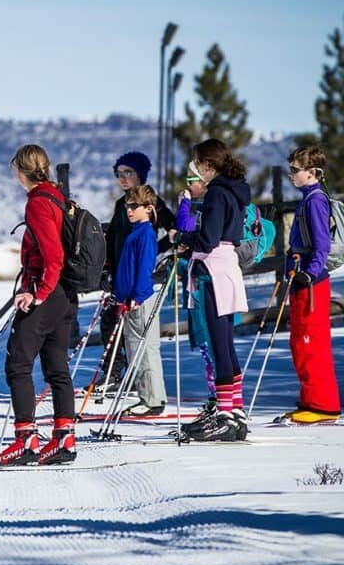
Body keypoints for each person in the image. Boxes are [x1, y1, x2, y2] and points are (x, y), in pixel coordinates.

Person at [0, 145, 76, 466]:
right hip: (65, 293)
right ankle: (64, 437)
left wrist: (37, 293)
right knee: (56, 367)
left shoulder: (39, 203)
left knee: (18, 363)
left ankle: (26, 440)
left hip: (49, 293)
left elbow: (53, 256)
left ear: (21, 170)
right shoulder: (56, 196)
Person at [173, 139, 249, 441]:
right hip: (227, 267)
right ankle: (235, 410)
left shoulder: (217, 192)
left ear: (208, 164)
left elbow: (208, 238)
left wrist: (182, 237)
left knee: (220, 344)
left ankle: (225, 413)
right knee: (226, 343)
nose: (197, 170)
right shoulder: (234, 189)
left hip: (213, 270)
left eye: (198, 164)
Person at [98, 151, 174, 395]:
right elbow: (112, 238)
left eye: (128, 172)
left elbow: (170, 230)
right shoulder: (123, 204)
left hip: (136, 278)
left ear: (140, 173)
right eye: (118, 174)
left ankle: (138, 383)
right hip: (120, 272)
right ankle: (116, 372)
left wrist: (160, 251)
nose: (122, 178)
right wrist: (108, 267)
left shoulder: (149, 203)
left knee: (136, 334)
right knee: (110, 322)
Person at [280, 146, 340, 423]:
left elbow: (322, 244)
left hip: (312, 282)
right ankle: (310, 399)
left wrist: (311, 272)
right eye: (290, 169)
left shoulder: (315, 200)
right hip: (301, 277)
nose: (291, 175)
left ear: (312, 172)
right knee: (300, 342)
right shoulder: (308, 198)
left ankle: (322, 404)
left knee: (310, 342)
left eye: (295, 170)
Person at [112, 185, 167, 416]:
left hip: (140, 299)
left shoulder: (145, 233)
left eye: (135, 206)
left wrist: (136, 295)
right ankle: (149, 396)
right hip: (129, 299)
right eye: (127, 206)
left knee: (145, 349)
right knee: (136, 349)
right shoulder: (135, 231)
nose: (129, 210)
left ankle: (153, 400)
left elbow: (144, 268)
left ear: (148, 208)